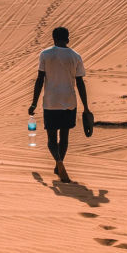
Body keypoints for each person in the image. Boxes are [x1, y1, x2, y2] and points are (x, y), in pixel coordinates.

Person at [28, 26, 90, 183]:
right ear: (68, 39)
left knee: (51, 138)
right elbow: (80, 82)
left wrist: (34, 103)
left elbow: (40, 79)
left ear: (53, 38)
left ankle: (58, 162)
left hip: (51, 102)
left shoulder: (45, 54)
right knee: (64, 137)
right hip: (69, 102)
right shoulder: (75, 56)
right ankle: (59, 163)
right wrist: (86, 107)